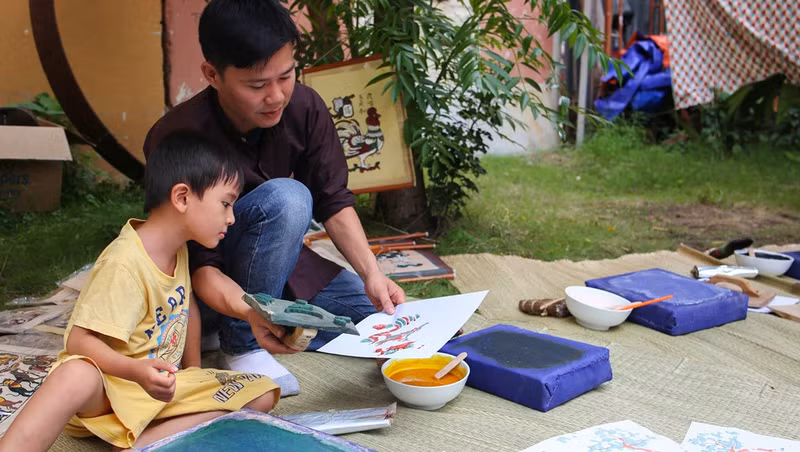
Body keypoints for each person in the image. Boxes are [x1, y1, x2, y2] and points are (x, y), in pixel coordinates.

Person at [143, 0, 406, 395]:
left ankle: (279, 326)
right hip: (208, 288)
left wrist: (372, 273)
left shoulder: (305, 106)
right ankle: (242, 344)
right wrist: (251, 314)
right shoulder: (179, 139)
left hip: (281, 267)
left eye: (286, 76)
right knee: (289, 198)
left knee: (391, 321)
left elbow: (334, 199)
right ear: (212, 75)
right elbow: (195, 265)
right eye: (257, 85)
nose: (277, 96)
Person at [0, 131, 280, 452]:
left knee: (262, 392)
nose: (231, 218)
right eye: (226, 203)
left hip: (156, 391)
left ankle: (143, 444)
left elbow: (185, 306)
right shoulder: (125, 262)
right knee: (76, 373)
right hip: (112, 390)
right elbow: (79, 341)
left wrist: (194, 376)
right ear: (183, 197)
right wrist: (135, 371)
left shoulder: (179, 248)